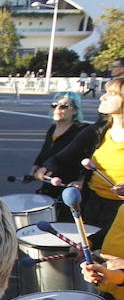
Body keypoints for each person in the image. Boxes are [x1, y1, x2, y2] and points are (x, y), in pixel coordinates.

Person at [36, 77, 124, 247]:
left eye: (111, 94)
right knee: (87, 251)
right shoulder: (101, 128)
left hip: (120, 210)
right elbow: (69, 153)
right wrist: (48, 165)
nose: (102, 97)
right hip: (93, 202)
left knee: (109, 256)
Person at [30, 91, 87, 219]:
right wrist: (36, 165)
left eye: (64, 106)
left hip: (68, 187)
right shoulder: (52, 129)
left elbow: (87, 157)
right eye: (54, 105)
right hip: (49, 184)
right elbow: (45, 150)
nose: (58, 108)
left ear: (75, 110)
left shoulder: (82, 130)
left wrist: (82, 181)